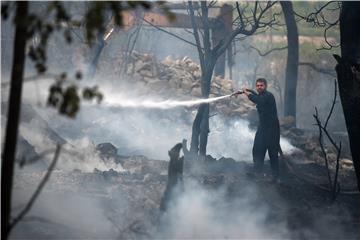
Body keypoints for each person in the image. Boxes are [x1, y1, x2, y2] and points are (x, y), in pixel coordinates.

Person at [235, 78, 280, 180]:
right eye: (258, 85)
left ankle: (275, 176)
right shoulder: (261, 95)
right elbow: (256, 96)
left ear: (265, 86)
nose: (259, 87)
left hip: (272, 129)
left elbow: (259, 100)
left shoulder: (268, 96)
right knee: (257, 149)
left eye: (261, 85)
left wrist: (247, 94)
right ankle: (257, 172)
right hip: (263, 128)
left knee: (273, 153)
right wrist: (246, 91)